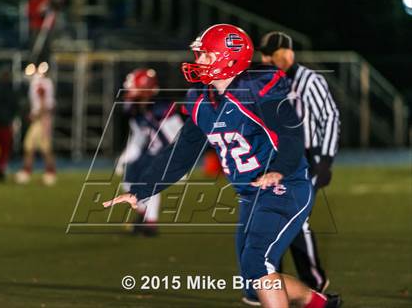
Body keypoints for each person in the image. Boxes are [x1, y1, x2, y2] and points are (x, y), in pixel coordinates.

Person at [103, 24, 340, 308]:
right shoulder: (202, 99)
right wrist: (141, 190)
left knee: (258, 263)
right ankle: (320, 304)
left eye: (205, 55)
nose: (198, 61)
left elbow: (291, 133)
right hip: (251, 195)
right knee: (254, 286)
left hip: (284, 188)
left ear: (229, 58)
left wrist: (280, 168)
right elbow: (182, 152)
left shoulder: (257, 88)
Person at [259, 31, 341, 293]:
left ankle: (313, 281)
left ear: (288, 53)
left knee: (294, 217)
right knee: (272, 218)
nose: (268, 59)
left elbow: (329, 117)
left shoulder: (309, 80)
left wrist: (325, 160)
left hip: (306, 156)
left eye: (275, 53)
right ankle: (274, 281)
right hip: (276, 158)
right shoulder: (265, 81)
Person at [116, 68, 183, 236]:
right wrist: (127, 155)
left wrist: (178, 160)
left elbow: (178, 134)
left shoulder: (162, 108)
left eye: (133, 87)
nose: (130, 90)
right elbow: (138, 135)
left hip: (165, 153)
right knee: (128, 180)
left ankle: (150, 223)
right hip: (150, 152)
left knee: (149, 182)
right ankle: (143, 213)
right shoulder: (135, 108)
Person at [15, 62, 57, 186]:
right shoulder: (43, 82)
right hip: (41, 118)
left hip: (41, 119)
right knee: (32, 146)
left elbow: (44, 101)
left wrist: (38, 114)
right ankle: (30, 171)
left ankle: (49, 172)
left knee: (42, 147)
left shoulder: (40, 84)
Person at [0, 68, 18, 182]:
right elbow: (14, 106)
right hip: (5, 123)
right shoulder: (11, 89)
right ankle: (1, 167)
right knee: (4, 148)